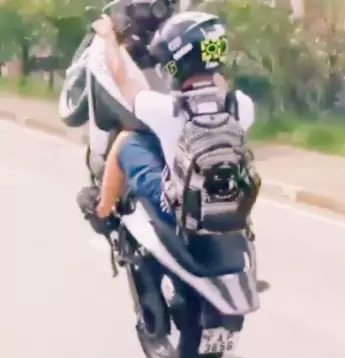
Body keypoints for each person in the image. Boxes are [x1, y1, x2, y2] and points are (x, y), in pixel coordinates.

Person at [77, 10, 257, 236]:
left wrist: (108, 38)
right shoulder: (240, 105)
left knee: (126, 141)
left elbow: (121, 78)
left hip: (179, 211)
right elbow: (219, 89)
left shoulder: (165, 110)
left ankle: (103, 211)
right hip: (230, 207)